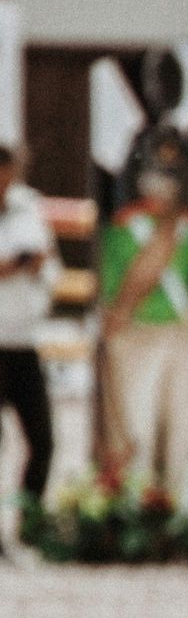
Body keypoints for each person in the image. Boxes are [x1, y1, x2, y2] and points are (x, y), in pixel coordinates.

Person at [98, 133, 188, 527]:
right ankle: (132, 515)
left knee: (187, 427)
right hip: (137, 334)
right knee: (136, 425)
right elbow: (111, 282)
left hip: (178, 335)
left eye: (168, 176)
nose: (160, 184)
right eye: (154, 174)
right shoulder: (125, 230)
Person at [0, 145, 55, 521]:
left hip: (22, 338)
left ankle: (28, 522)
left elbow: (50, 266)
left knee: (43, 441)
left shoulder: (28, 211)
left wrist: (33, 266)